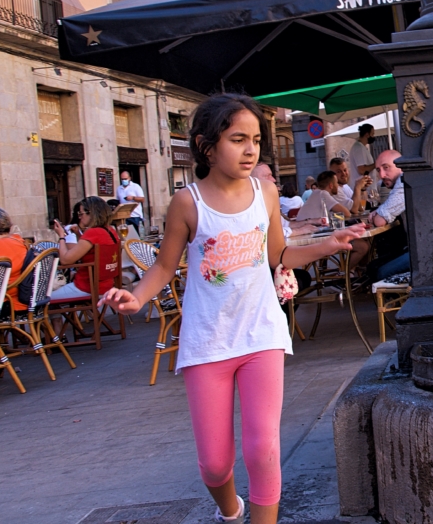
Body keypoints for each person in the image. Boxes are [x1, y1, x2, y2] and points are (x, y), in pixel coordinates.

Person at [99, 93, 362, 524]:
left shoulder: (267, 193)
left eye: (256, 139)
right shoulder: (188, 203)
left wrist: (325, 245)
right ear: (206, 146)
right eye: (238, 139)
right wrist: (137, 296)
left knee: (263, 449)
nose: (250, 149)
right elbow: (165, 267)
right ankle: (231, 511)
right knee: (215, 466)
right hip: (208, 343)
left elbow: (278, 255)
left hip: (262, 335)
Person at [51, 196, 121, 300]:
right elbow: (88, 251)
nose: (79, 217)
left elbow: (65, 260)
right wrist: (78, 234)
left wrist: (61, 236)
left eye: (81, 213)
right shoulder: (110, 230)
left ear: (91, 213)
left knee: (42, 299)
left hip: (87, 287)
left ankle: (56, 316)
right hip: (107, 285)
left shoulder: (93, 232)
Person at [365, 150, 409, 279]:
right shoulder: (402, 182)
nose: (382, 175)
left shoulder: (403, 181)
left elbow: (380, 221)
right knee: (374, 266)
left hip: (425, 252)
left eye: (386, 167)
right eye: (378, 170)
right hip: (417, 247)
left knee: (379, 272)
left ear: (400, 166)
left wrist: (378, 213)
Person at [116, 171, 145, 235]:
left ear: (129, 178)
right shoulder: (119, 188)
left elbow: (142, 199)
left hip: (135, 215)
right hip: (124, 216)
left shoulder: (135, 186)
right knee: (127, 235)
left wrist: (133, 198)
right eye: (122, 179)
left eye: (125, 179)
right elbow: (118, 200)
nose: (124, 180)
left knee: (137, 235)